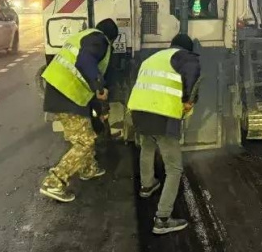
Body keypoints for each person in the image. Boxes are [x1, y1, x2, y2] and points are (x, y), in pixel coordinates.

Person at [39, 18, 119, 203]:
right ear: (111, 38)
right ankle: (54, 182)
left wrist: (99, 109)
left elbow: (84, 74)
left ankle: (88, 169)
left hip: (63, 91)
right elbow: (84, 61)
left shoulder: (84, 37)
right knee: (84, 142)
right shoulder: (99, 40)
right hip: (67, 94)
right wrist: (100, 87)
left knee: (86, 133)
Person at [129, 33, 201, 235]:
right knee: (174, 168)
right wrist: (189, 100)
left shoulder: (153, 58)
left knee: (147, 147)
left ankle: (147, 185)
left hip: (139, 111)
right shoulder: (185, 56)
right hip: (163, 116)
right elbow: (193, 73)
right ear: (186, 48)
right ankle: (162, 219)